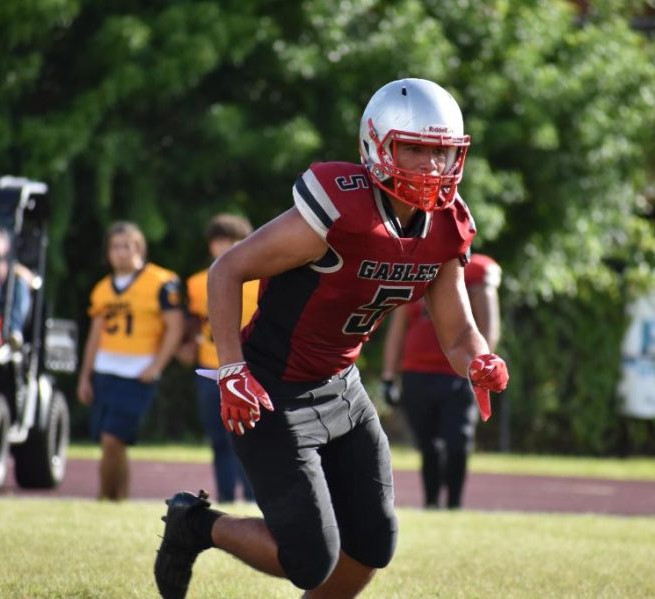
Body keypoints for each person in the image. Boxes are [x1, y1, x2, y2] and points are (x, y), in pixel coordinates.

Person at [153, 78, 510, 599]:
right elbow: (227, 270)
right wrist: (232, 368)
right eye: (415, 148)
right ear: (377, 145)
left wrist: (479, 360)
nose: (431, 165)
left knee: (372, 545)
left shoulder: (446, 225)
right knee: (309, 558)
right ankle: (196, 525)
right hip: (270, 387)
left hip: (341, 386)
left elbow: (458, 332)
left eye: (441, 152)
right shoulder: (341, 208)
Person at [381, 252, 502, 510]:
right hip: (417, 374)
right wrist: (389, 376)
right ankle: (432, 502)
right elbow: (397, 330)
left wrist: (483, 366)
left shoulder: (475, 273)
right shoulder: (417, 267)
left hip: (458, 375)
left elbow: (488, 324)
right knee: (429, 444)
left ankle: (455, 503)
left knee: (458, 441)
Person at [76, 221, 185, 501]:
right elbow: (94, 336)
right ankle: (119, 497)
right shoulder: (102, 289)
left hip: (138, 372)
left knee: (113, 438)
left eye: (127, 246)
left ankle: (104, 496)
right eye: (115, 247)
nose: (121, 252)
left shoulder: (161, 282)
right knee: (110, 442)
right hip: (105, 370)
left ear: (140, 248)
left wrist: (157, 366)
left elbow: (176, 327)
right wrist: (85, 376)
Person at [177, 214, 258, 503]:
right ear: (210, 245)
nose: (225, 246)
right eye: (219, 240)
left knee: (249, 438)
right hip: (211, 367)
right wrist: (185, 344)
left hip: (251, 368)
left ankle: (252, 495)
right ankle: (224, 495)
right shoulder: (198, 283)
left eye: (233, 240)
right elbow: (192, 322)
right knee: (218, 437)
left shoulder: (261, 278)